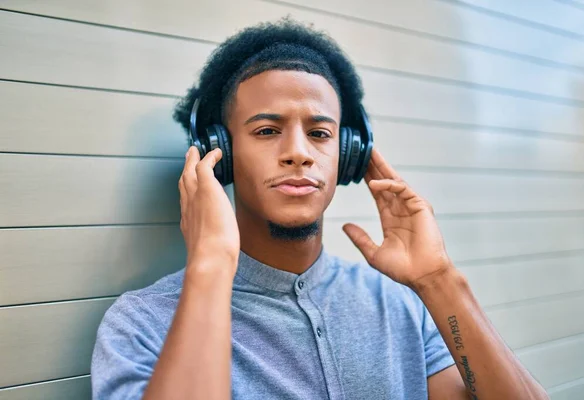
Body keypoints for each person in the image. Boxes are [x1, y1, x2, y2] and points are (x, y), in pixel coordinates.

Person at [91, 19, 549, 400]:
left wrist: (438, 280)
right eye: (267, 130)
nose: (298, 153)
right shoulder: (142, 323)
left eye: (320, 133)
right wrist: (210, 265)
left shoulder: (400, 305)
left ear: (348, 155)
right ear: (221, 152)